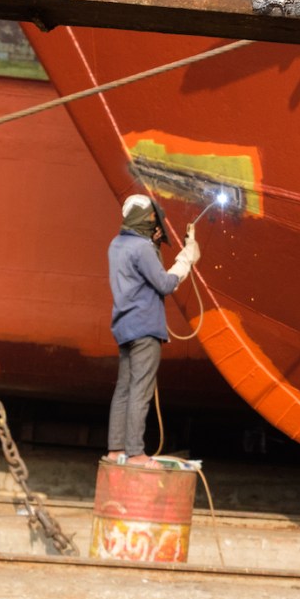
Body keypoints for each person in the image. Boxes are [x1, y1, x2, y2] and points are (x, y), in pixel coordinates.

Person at [106, 193, 200, 469]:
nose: (153, 222)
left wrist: (154, 244)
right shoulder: (141, 248)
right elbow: (164, 284)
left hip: (124, 326)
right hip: (145, 326)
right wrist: (186, 259)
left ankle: (115, 450)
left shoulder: (117, 245)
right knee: (141, 389)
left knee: (123, 389)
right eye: (151, 218)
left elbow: (139, 271)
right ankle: (136, 454)